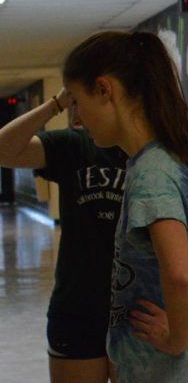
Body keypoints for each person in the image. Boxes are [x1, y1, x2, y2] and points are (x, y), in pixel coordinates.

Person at [61, 30, 188, 382]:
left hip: (175, 371)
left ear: (104, 90)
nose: (77, 120)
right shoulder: (166, 160)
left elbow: (180, 272)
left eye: (77, 103)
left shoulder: (151, 175)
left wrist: (176, 339)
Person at [0, 88, 126, 383]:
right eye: (73, 105)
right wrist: (54, 105)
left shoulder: (151, 153)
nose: (76, 115)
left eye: (81, 103)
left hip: (137, 313)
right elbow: (3, 149)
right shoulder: (74, 145)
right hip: (77, 309)